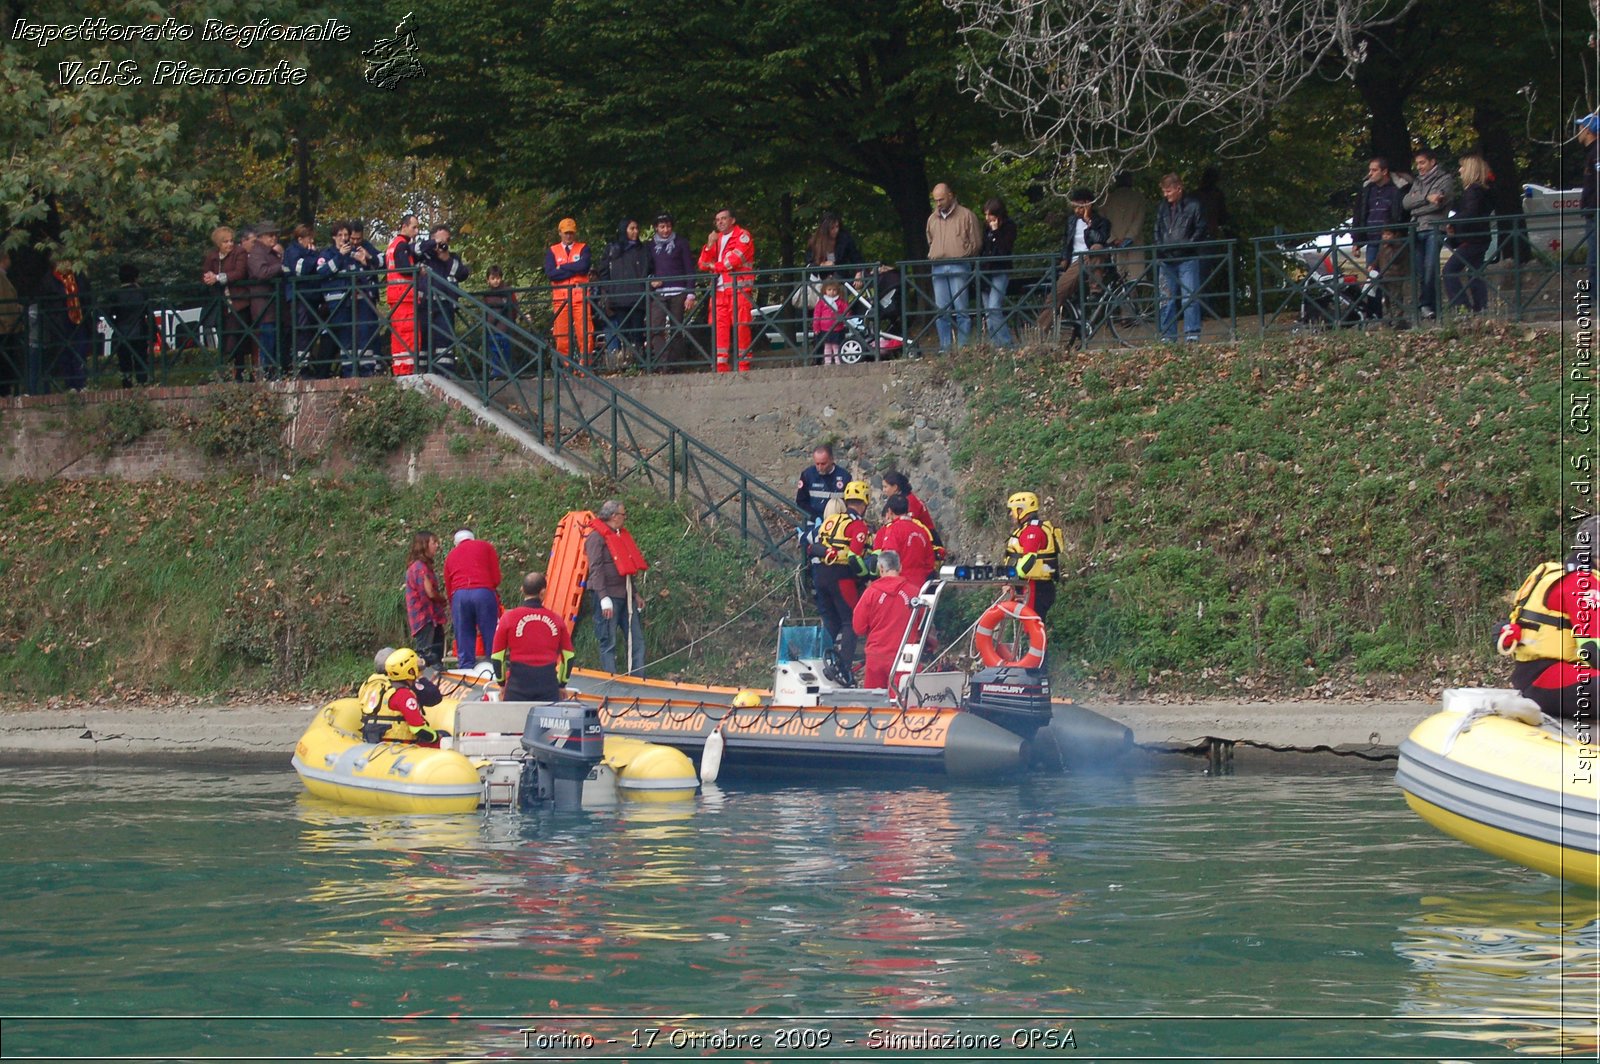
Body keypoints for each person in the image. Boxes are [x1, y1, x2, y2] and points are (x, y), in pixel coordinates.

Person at [1498, 515, 1600, 722]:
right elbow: (1592, 649)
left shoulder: (1570, 575)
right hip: (1547, 678)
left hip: (1537, 677)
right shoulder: (1583, 583)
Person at [811, 481, 873, 684]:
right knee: (851, 622)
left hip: (821, 574)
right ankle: (844, 668)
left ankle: (819, 662)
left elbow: (814, 548)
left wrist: (830, 552)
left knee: (830, 621)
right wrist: (867, 577)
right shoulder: (858, 526)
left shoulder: (831, 521)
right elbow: (855, 557)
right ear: (865, 502)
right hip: (842, 576)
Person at [584, 499, 649, 676]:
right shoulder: (596, 537)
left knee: (636, 640)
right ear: (614, 516)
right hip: (608, 597)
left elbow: (625, 566)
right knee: (608, 640)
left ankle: (638, 678)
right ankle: (611, 680)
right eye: (623, 514)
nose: (624, 518)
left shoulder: (619, 536)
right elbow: (596, 568)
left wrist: (635, 594)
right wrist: (603, 597)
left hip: (625, 596)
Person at [492, 571, 576, 702]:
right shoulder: (557, 620)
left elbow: (497, 657)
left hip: (517, 686)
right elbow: (569, 657)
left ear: (522, 590)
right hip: (548, 686)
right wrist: (561, 685)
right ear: (543, 593)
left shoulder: (508, 618)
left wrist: (502, 684)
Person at [1040, 188, 1112, 331]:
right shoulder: (1072, 221)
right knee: (1056, 294)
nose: (1076, 210)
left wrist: (1088, 222)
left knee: (1096, 248)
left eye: (1079, 206)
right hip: (1074, 262)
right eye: (1074, 207)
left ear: (1087, 204)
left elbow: (1100, 239)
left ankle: (1095, 289)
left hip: (1089, 260)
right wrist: (1064, 260)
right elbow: (1066, 242)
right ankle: (1041, 329)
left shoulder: (1102, 222)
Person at [925, 182, 982, 350]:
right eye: (935, 200)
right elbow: (930, 240)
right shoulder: (932, 219)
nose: (938, 203)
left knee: (961, 309)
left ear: (950, 195)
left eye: (941, 199)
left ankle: (963, 347)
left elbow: (976, 242)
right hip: (938, 266)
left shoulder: (966, 215)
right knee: (942, 311)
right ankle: (945, 348)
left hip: (959, 264)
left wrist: (962, 253)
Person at [698, 207, 756, 372]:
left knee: (741, 327)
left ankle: (743, 365)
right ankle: (721, 365)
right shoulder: (716, 239)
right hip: (719, 291)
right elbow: (702, 263)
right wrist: (709, 245)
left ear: (732, 220)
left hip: (739, 290)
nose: (720, 222)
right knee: (719, 329)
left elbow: (733, 261)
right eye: (717, 220)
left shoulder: (743, 236)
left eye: (723, 218)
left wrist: (713, 266)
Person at [1402, 148, 1455, 320]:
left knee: (1430, 268)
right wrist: (1426, 198)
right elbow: (1406, 202)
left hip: (1434, 228)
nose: (1419, 167)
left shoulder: (1445, 179)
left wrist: (1418, 205)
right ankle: (1429, 307)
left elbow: (1437, 204)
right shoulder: (1417, 181)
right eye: (1417, 163)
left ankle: (1427, 305)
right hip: (1417, 229)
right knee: (1421, 270)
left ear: (1432, 162)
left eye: (1422, 162)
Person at [1153, 173, 1206, 343]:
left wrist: (1188, 245)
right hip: (1166, 258)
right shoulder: (1162, 207)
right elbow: (1157, 229)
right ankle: (1168, 335)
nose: (1165, 195)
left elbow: (1200, 228)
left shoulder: (1194, 205)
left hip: (1187, 257)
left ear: (1178, 188)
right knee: (1166, 299)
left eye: (1168, 191)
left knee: (1189, 297)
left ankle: (1191, 333)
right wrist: (1160, 246)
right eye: (1164, 191)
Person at [852, 549, 916, 690]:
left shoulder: (871, 593)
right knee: (901, 703)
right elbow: (923, 625)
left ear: (880, 568)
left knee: (875, 705)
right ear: (900, 567)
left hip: (876, 656)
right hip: (905, 656)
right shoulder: (915, 592)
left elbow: (858, 627)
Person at [359, 648, 449, 747]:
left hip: (373, 740)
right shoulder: (402, 692)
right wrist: (437, 737)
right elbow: (418, 728)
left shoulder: (369, 685)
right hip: (399, 745)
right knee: (445, 737)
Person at [443, 528, 502, 670]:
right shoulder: (486, 547)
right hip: (483, 592)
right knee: (490, 632)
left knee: (464, 634)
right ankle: (495, 668)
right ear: (473, 538)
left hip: (459, 595)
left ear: (456, 543)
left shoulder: (451, 555)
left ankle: (465, 669)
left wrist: (454, 606)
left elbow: (448, 585)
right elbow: (496, 577)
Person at [596, 218, 653, 365]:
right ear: (624, 230)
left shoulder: (643, 249)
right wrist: (610, 287)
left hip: (638, 297)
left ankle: (639, 362)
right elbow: (603, 269)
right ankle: (627, 362)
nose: (635, 232)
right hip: (619, 298)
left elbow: (650, 268)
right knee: (624, 332)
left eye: (636, 228)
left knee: (638, 332)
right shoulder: (613, 248)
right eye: (631, 228)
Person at [1002, 490, 1063, 626]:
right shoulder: (1026, 529)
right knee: (1028, 626)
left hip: (1035, 586)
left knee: (1033, 626)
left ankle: (1040, 648)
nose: (1011, 514)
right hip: (1030, 585)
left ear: (1021, 510)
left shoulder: (1033, 531)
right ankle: (1027, 647)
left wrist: (1013, 578)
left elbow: (1029, 559)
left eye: (1012, 511)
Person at [1443, 154, 1493, 314]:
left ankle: (1463, 307)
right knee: (1474, 272)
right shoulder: (1482, 190)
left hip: (1472, 238)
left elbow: (1469, 213)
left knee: (1449, 270)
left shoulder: (1473, 191)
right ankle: (1480, 307)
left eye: (1462, 167)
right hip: (1480, 237)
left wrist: (1452, 222)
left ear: (1470, 170)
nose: (1459, 170)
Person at [646, 212, 698, 367]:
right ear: (656, 228)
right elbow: (647, 268)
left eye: (668, 226)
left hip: (679, 290)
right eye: (662, 227)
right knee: (656, 327)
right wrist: (651, 280)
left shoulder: (681, 243)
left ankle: (677, 363)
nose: (665, 230)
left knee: (677, 327)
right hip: (659, 292)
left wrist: (691, 294)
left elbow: (690, 269)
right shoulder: (650, 246)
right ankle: (663, 363)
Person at [200, 225, 250, 380]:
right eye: (225, 242)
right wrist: (208, 277)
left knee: (236, 338)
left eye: (231, 241)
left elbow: (239, 273)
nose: (229, 244)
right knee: (224, 337)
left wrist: (218, 278)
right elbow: (205, 273)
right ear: (218, 244)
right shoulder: (212, 256)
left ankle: (238, 372)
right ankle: (227, 372)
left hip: (238, 303)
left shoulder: (239, 252)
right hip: (221, 305)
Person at [417, 225, 469, 369]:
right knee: (422, 343)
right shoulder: (423, 257)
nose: (441, 244)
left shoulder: (452, 258)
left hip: (445, 306)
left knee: (444, 342)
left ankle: (445, 375)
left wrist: (446, 258)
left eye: (445, 241)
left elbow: (463, 274)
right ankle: (422, 373)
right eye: (438, 241)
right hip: (423, 306)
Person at [545, 217, 595, 365]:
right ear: (560, 233)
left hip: (580, 296)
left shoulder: (583, 248)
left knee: (585, 331)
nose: (568, 236)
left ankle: (585, 364)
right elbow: (551, 273)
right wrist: (574, 268)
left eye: (571, 233)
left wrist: (563, 267)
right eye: (566, 233)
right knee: (561, 334)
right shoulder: (552, 251)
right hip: (560, 298)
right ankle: (566, 366)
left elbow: (584, 266)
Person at [1352, 156, 1410, 282]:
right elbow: (1359, 214)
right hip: (1371, 239)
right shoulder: (1367, 190)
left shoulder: (1397, 189)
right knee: (1372, 278)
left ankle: (1392, 302)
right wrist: (1357, 240)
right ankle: (1375, 302)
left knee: (1391, 278)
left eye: (1374, 170)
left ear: (1384, 172)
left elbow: (1401, 214)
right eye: (1370, 170)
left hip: (1390, 241)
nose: (1370, 174)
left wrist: (1396, 233)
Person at [245, 220, 285, 379]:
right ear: (261, 237)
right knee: (268, 342)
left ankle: (275, 373)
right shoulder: (257, 253)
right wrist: (280, 266)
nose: (274, 238)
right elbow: (261, 272)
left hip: (273, 305)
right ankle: (268, 375)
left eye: (275, 235)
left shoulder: (270, 252)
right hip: (264, 305)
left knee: (275, 341)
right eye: (270, 235)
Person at [874, 494, 936, 592]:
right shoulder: (921, 530)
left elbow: (889, 559)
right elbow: (930, 562)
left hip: (900, 586)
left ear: (889, 511)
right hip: (921, 585)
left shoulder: (893, 529)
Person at [282, 224, 322, 376]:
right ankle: (300, 367)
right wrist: (313, 256)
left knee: (309, 331)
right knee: (302, 330)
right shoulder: (292, 252)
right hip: (298, 297)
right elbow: (301, 269)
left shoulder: (303, 252)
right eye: (309, 238)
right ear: (300, 239)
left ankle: (306, 363)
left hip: (309, 297)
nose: (311, 241)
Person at [385, 213, 422, 375]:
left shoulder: (392, 245)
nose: (416, 231)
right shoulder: (402, 246)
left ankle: (400, 370)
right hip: (404, 296)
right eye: (414, 227)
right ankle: (406, 371)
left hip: (397, 296)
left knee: (400, 336)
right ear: (404, 226)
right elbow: (404, 269)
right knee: (409, 336)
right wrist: (418, 270)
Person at [405, 530, 448, 668]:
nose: (436, 546)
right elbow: (429, 592)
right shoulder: (420, 568)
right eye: (433, 542)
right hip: (425, 619)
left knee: (434, 655)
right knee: (427, 658)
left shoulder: (420, 566)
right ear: (424, 545)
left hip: (430, 619)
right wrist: (442, 599)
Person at [977, 197, 1017, 345]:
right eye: (986, 215)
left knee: (994, 308)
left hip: (1000, 270)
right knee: (988, 312)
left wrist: (995, 232)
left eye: (990, 215)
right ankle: (996, 345)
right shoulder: (985, 228)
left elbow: (1004, 248)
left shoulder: (1009, 226)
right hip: (986, 271)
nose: (987, 218)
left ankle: (1007, 344)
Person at [104, 263, 151, 387]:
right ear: (135, 277)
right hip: (139, 331)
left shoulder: (115, 294)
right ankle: (142, 384)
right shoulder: (142, 293)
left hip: (121, 332)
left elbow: (108, 313)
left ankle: (127, 386)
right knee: (141, 360)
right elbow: (149, 313)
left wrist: (115, 325)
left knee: (125, 363)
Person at [881, 471, 943, 561]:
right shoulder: (907, 498)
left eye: (885, 487)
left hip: (929, 543)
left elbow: (908, 526)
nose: (884, 490)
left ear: (895, 487)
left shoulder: (908, 502)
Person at [347, 222, 383, 376]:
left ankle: (375, 366)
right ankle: (357, 369)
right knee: (354, 333)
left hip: (369, 296)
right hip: (349, 299)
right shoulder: (343, 249)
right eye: (352, 239)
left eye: (358, 239)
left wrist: (369, 258)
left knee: (371, 330)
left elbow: (384, 261)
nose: (355, 242)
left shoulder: (367, 246)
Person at [1103, 172, 1148, 284]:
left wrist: (1113, 238)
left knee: (1118, 279)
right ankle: (1133, 300)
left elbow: (1103, 222)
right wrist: (1129, 238)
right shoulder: (1138, 198)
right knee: (1134, 280)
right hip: (1134, 243)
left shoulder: (1108, 199)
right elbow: (1139, 221)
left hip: (1115, 244)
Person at [480, 266, 520, 378]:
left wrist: (512, 320)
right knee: (494, 347)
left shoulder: (507, 291)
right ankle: (496, 369)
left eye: (498, 278)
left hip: (505, 325)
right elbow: (485, 310)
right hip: (492, 326)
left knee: (506, 347)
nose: (496, 281)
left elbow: (514, 308)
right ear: (488, 280)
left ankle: (507, 369)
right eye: (493, 278)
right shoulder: (487, 295)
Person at [795, 443, 853, 521]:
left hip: (838, 522)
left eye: (823, 464)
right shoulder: (807, 475)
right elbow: (801, 501)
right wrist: (814, 518)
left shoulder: (845, 477)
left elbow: (851, 503)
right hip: (813, 522)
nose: (820, 467)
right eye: (817, 464)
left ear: (831, 459)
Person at [805, 211, 865, 283]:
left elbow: (856, 257)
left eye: (837, 226)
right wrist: (822, 265)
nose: (836, 230)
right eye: (832, 228)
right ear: (825, 229)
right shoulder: (815, 242)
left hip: (842, 278)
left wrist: (858, 273)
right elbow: (809, 264)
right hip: (820, 280)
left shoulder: (845, 239)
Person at [1577, 115, 1599, 292]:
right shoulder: (1593, 152)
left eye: (1581, 127)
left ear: (1589, 131)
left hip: (1595, 213)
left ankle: (1595, 298)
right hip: (1593, 212)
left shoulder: (1597, 152)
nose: (1579, 131)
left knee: (1594, 259)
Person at [813, 279, 850, 364]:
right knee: (827, 346)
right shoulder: (822, 302)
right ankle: (827, 362)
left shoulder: (840, 302)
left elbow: (846, 310)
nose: (832, 292)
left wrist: (846, 319)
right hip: (824, 328)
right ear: (825, 290)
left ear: (837, 291)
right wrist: (816, 327)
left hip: (837, 327)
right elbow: (817, 314)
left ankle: (838, 361)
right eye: (829, 290)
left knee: (836, 346)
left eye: (834, 290)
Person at [0, 251, 21, 395]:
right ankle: (4, 390)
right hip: (4, 328)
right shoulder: (1, 279)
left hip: (6, 326)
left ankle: (6, 389)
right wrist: (9, 324)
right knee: (4, 361)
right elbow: (4, 303)